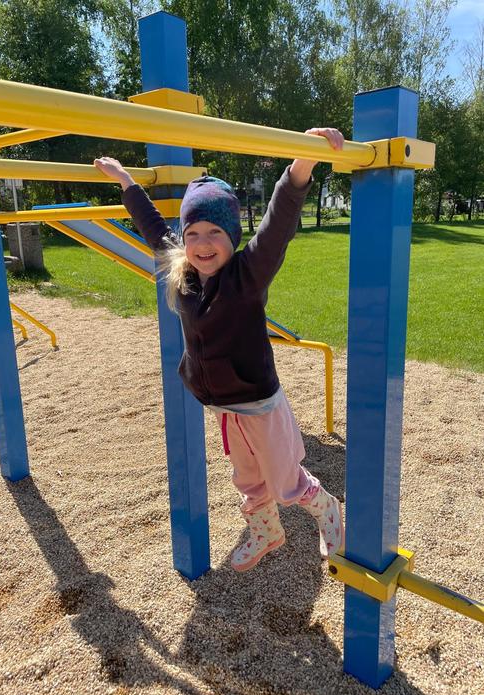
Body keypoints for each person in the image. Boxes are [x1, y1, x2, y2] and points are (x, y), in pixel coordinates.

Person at [94, 127, 345, 573]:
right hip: (221, 404)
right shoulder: (183, 273)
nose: (202, 244)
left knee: (285, 482)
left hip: (259, 401)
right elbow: (154, 228)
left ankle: (329, 510)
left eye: (214, 232)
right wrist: (125, 181)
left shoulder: (247, 276)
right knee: (247, 478)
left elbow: (277, 225)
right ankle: (267, 531)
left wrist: (301, 165)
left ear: (232, 236)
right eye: (192, 233)